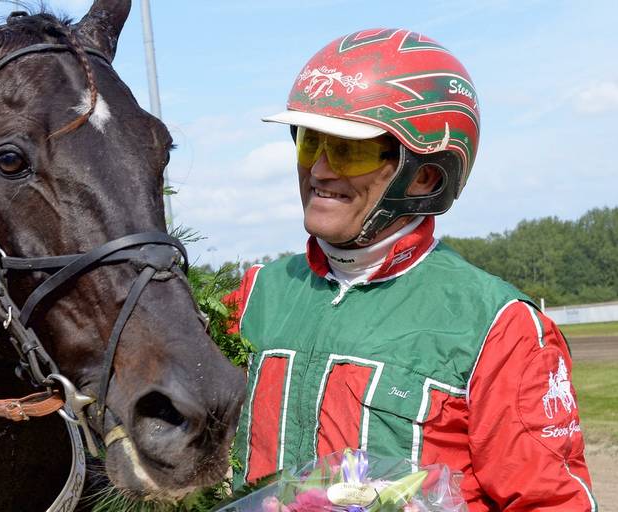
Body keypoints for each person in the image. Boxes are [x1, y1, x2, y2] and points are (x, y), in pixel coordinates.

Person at [226, 28, 597, 510]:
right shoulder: (254, 295)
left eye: (348, 150)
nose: (318, 170)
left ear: (424, 175)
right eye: (309, 141)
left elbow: (552, 501)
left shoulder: (499, 327)